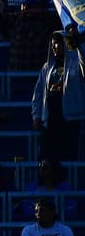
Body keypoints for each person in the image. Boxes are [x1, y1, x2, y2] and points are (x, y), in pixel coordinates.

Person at [32, 27, 84, 163]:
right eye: (52, 43)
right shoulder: (47, 67)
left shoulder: (77, 64)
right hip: (50, 120)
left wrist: (78, 46)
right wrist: (37, 115)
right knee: (46, 158)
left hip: (70, 120)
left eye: (57, 43)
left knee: (68, 158)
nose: (53, 46)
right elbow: (38, 93)